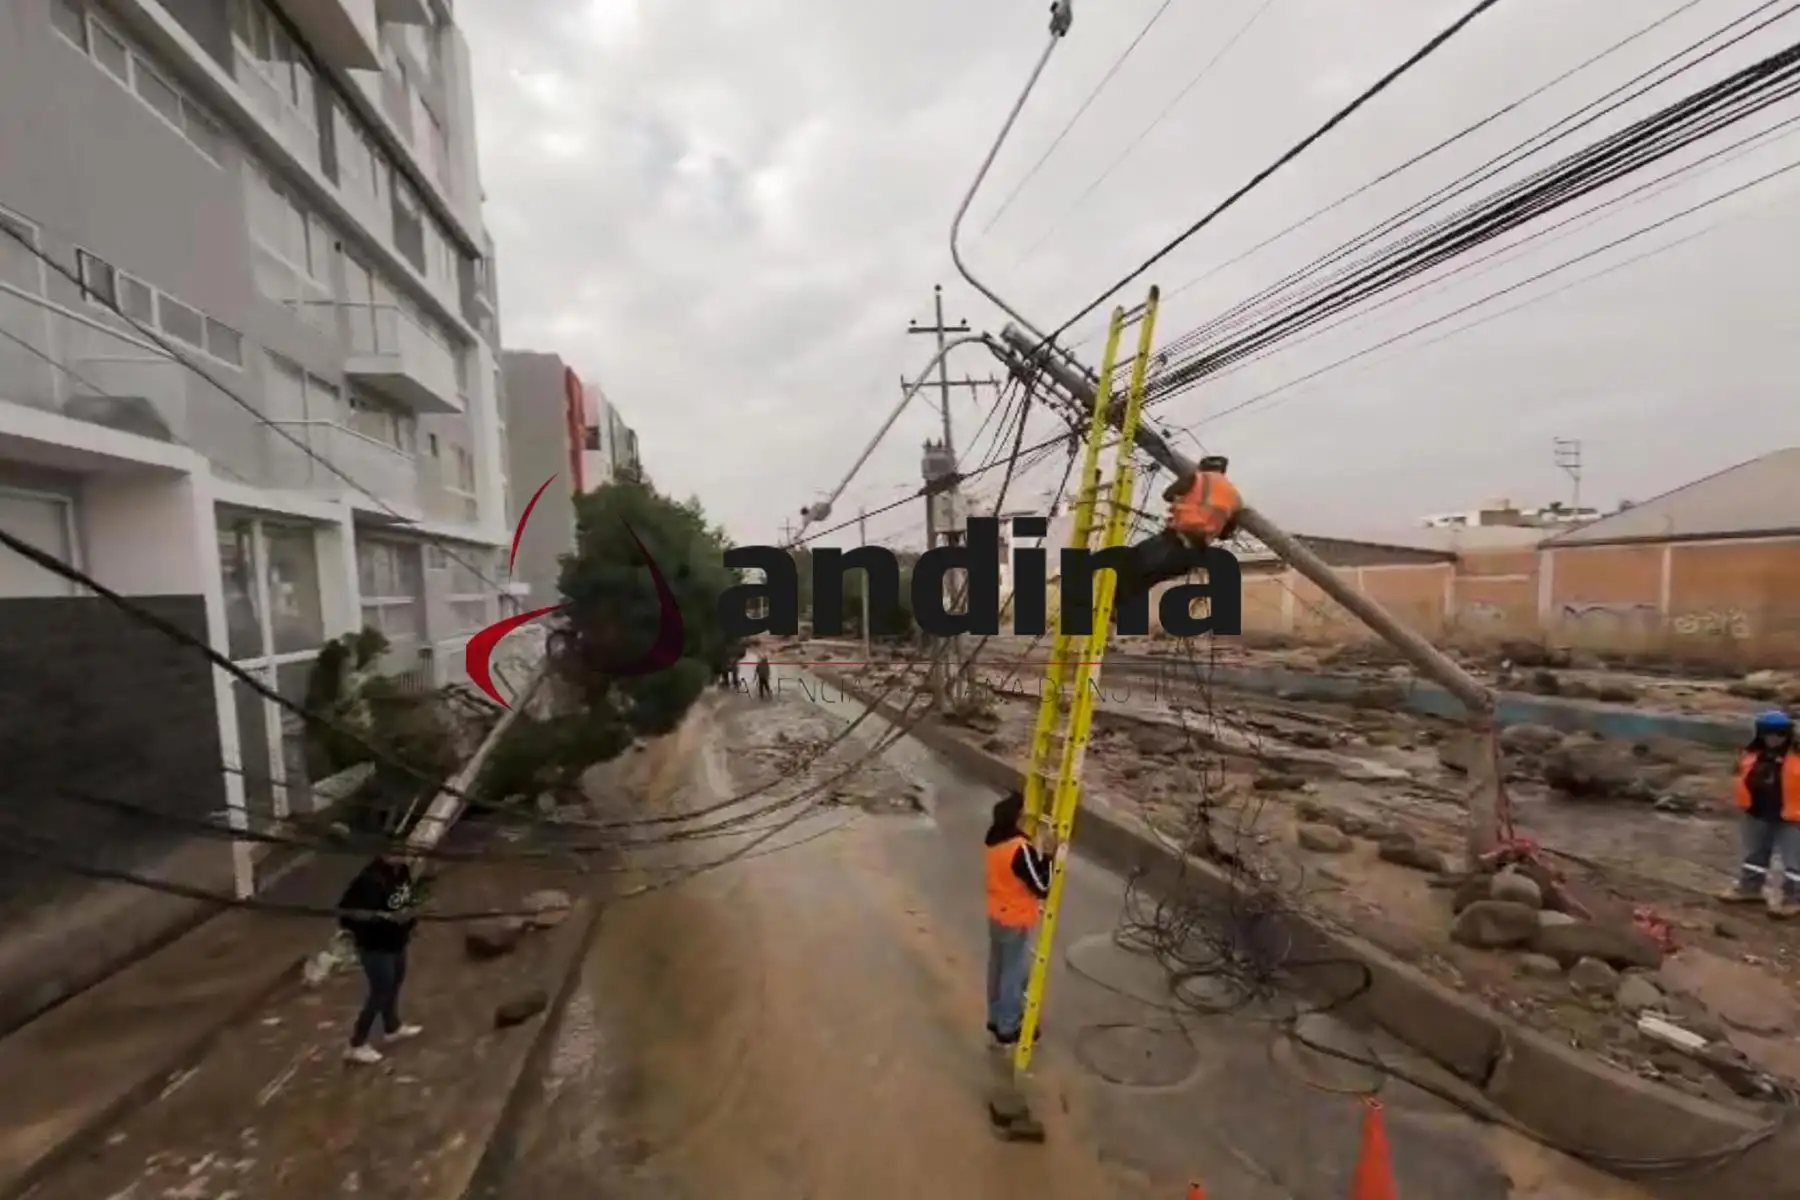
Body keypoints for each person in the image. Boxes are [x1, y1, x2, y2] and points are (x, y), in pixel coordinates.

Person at [1114, 455, 1243, 610]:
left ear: (1202, 467)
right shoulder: (1235, 497)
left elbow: (1167, 495)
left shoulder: (1196, 478)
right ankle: (1116, 609)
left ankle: (1109, 607)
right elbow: (1225, 534)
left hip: (1172, 542)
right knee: (1145, 579)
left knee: (1128, 564)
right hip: (1193, 554)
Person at [984, 791, 1058, 1048]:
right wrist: (1049, 856)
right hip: (1015, 919)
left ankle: (995, 1019)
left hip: (997, 915)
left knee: (997, 969)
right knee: (1013, 975)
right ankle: (1009, 1026)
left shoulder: (994, 841)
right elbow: (1043, 886)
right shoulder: (1018, 849)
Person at [338, 851, 423, 1063]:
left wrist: (411, 921)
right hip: (375, 946)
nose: (403, 855)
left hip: (397, 940)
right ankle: (356, 1044)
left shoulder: (402, 871)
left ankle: (391, 1026)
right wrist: (380, 919)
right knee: (380, 991)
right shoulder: (369, 880)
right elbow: (346, 913)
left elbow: (407, 899)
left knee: (396, 981)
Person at [1718, 709, 1800, 918]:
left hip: (1792, 815)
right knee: (1754, 855)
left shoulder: (1797, 754)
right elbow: (1740, 776)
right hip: (1757, 811)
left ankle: (1794, 899)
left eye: (1780, 733)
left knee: (1794, 861)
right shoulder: (1752, 753)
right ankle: (1750, 889)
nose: (1774, 738)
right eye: (1769, 733)